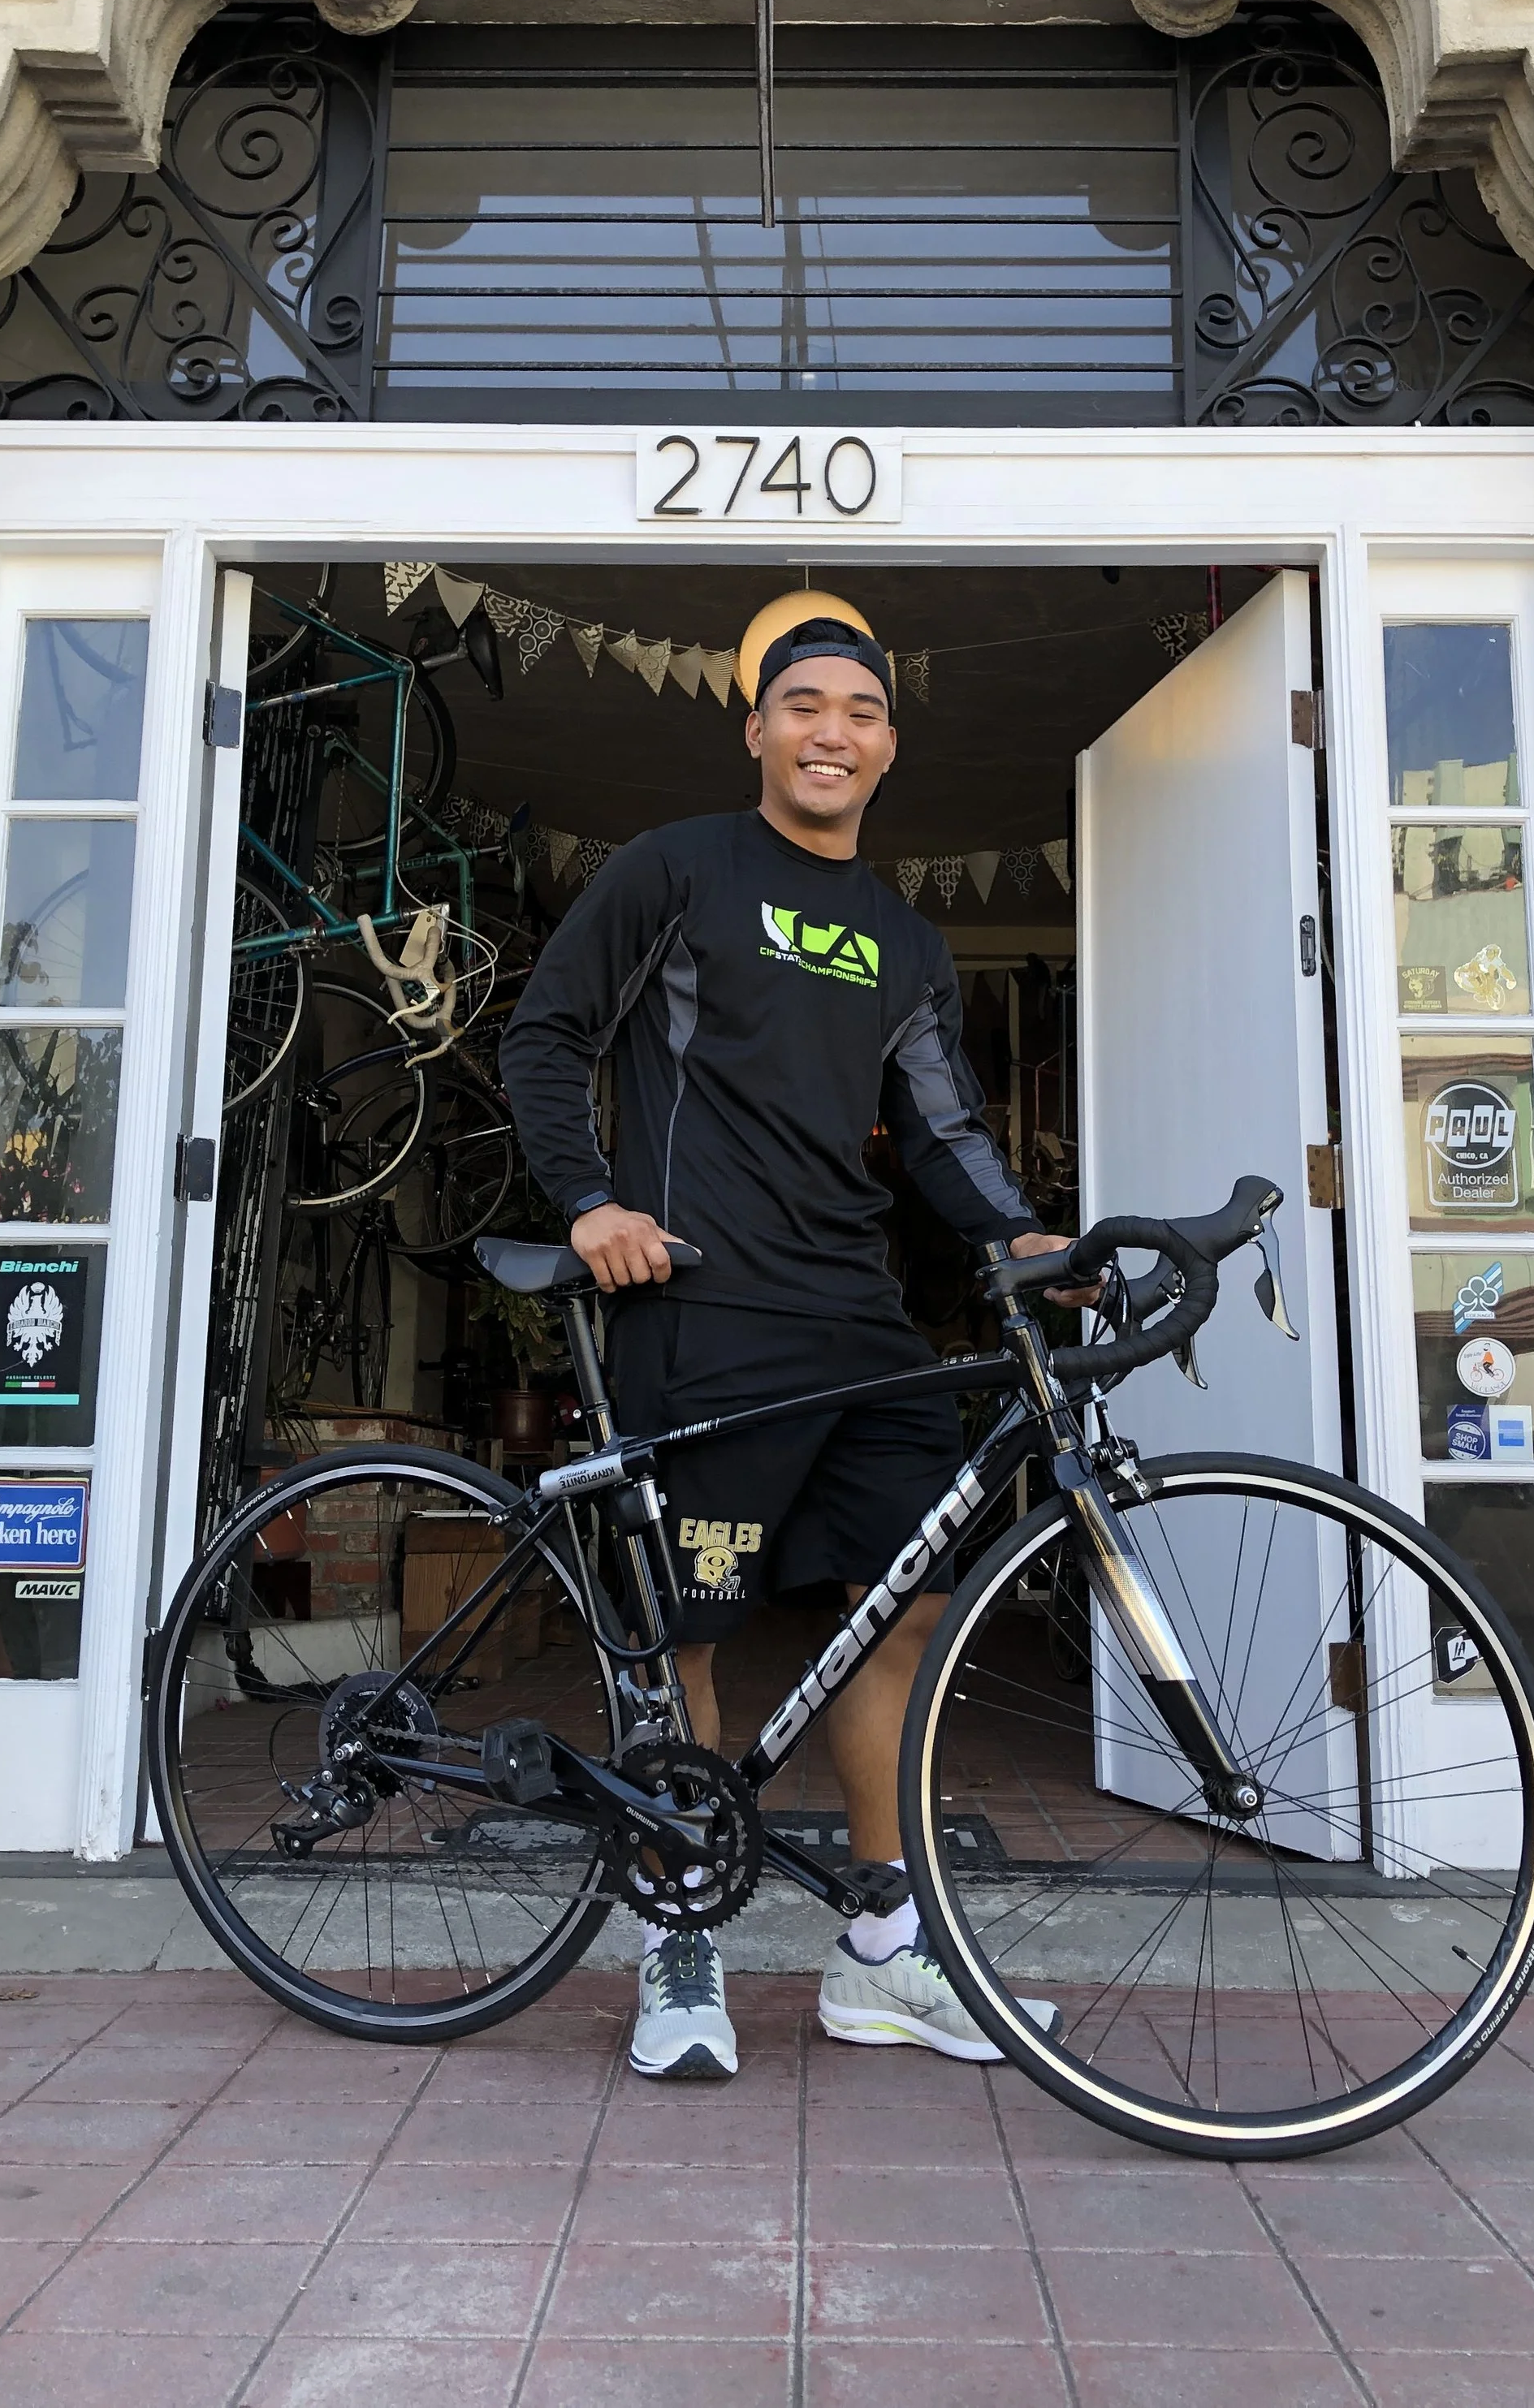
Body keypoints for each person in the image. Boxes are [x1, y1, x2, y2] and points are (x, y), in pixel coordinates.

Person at [498, 598, 1081, 2080]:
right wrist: (587, 1202)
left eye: (863, 713)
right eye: (805, 705)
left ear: (890, 746)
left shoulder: (904, 939)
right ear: (755, 726)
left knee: (903, 1610)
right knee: (682, 1627)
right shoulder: (676, 871)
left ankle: (882, 1948)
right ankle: (678, 1934)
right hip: (699, 1308)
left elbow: (944, 1132)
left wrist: (1022, 1240)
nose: (835, 732)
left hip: (863, 1325)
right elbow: (547, 1034)